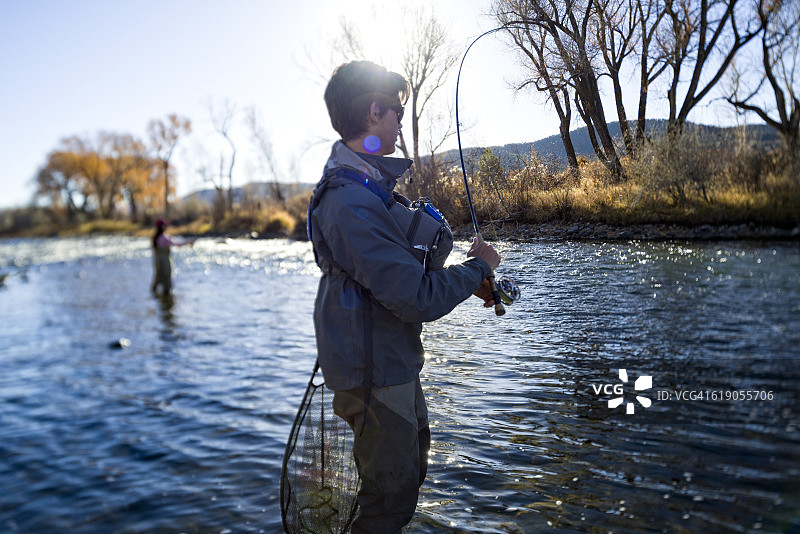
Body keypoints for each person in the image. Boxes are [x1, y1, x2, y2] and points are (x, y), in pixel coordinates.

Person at [307, 60, 501, 533]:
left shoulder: (366, 189)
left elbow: (396, 277)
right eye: (395, 111)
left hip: (389, 362)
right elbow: (416, 298)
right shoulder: (350, 201)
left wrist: (465, 279)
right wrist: (480, 267)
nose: (399, 120)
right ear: (375, 112)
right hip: (373, 374)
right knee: (388, 501)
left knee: (407, 475)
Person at [150, 219, 195, 296]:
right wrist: (188, 242)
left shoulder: (155, 238)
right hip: (165, 261)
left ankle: (154, 294)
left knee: (158, 277)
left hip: (157, 261)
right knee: (167, 277)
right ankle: (166, 297)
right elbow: (177, 244)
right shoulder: (164, 237)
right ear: (163, 227)